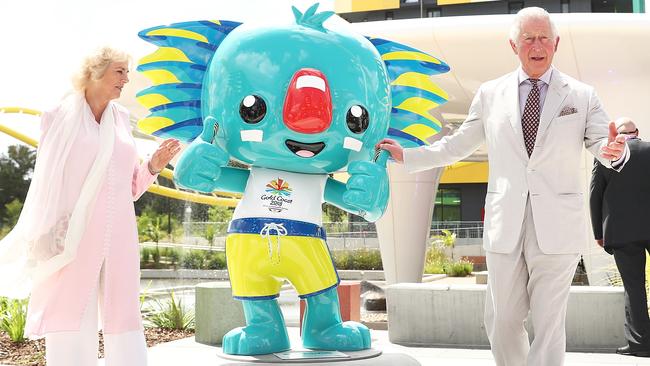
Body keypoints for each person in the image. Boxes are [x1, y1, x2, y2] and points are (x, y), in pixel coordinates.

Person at [377, 7, 628, 366]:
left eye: (543, 38)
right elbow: (458, 144)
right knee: (501, 320)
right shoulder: (490, 93)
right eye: (528, 38)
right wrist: (409, 157)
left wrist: (614, 152)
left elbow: (603, 144)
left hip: (558, 224)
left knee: (549, 322)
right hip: (504, 222)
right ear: (514, 44)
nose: (537, 45)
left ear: (556, 43)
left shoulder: (582, 95)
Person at [0, 47, 180, 365]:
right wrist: (47, 230)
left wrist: (153, 165)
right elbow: (46, 180)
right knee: (72, 309)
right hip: (72, 234)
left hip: (119, 234)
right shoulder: (57, 116)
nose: (126, 79)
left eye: (127, 72)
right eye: (119, 71)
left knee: (123, 313)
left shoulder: (122, 119)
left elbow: (132, 187)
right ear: (95, 72)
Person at [590, 117, 650, 357]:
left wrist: (598, 232)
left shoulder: (606, 155)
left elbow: (595, 194)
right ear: (637, 132)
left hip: (622, 232)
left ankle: (640, 345)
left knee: (634, 288)